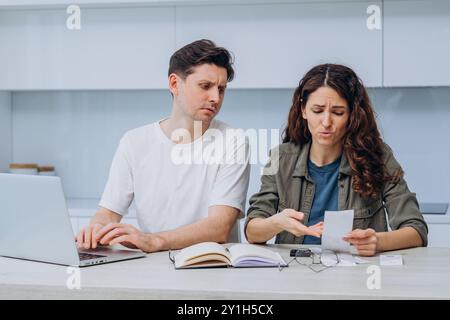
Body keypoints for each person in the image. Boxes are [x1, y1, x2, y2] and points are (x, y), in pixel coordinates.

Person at [76, 39, 250, 253]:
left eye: (221, 89)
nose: (215, 98)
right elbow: (108, 213)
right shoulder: (134, 142)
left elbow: (219, 227)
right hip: (155, 267)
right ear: (175, 84)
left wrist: (153, 241)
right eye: (205, 86)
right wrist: (96, 229)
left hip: (211, 267)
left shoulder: (233, 141)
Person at [245, 64, 427, 256]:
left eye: (338, 112)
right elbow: (252, 231)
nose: (326, 122)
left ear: (351, 115)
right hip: (295, 275)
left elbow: (416, 230)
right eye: (317, 110)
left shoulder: (378, 156)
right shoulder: (280, 158)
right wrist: (275, 223)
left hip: (355, 276)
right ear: (303, 111)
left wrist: (378, 241)